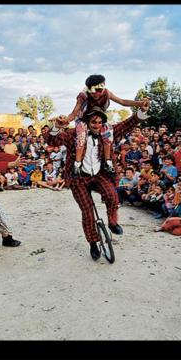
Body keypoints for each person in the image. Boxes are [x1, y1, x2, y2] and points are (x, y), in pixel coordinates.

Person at [44, 99, 151, 260]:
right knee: (87, 213)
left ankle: (113, 222)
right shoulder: (75, 133)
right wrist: (57, 127)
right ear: (87, 121)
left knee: (112, 195)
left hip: (100, 174)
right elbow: (53, 141)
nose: (97, 125)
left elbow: (129, 123)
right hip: (78, 178)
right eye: (93, 122)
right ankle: (93, 243)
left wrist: (141, 111)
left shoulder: (108, 132)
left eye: (100, 122)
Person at [55, 74, 149, 177]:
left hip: (98, 117)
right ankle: (77, 165)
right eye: (93, 92)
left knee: (108, 132)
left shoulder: (107, 93)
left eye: (98, 91)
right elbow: (74, 113)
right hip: (83, 118)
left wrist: (140, 103)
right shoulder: (83, 96)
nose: (96, 95)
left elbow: (122, 102)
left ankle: (108, 163)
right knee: (81, 136)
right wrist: (65, 121)